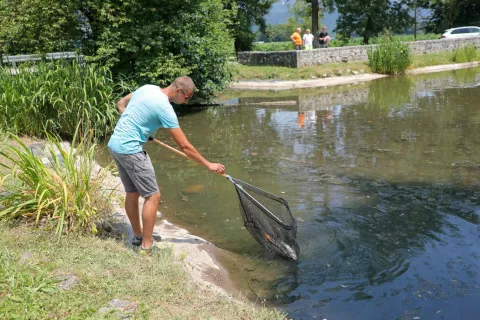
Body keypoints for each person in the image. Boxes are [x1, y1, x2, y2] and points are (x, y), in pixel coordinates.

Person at [108, 76, 225, 256]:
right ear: (178, 91)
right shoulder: (165, 109)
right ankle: (147, 247)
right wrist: (208, 165)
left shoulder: (148, 88)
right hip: (130, 150)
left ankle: (138, 235)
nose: (186, 103)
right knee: (153, 196)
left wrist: (135, 126)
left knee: (132, 192)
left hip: (115, 144)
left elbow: (120, 104)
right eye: (187, 97)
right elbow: (185, 147)